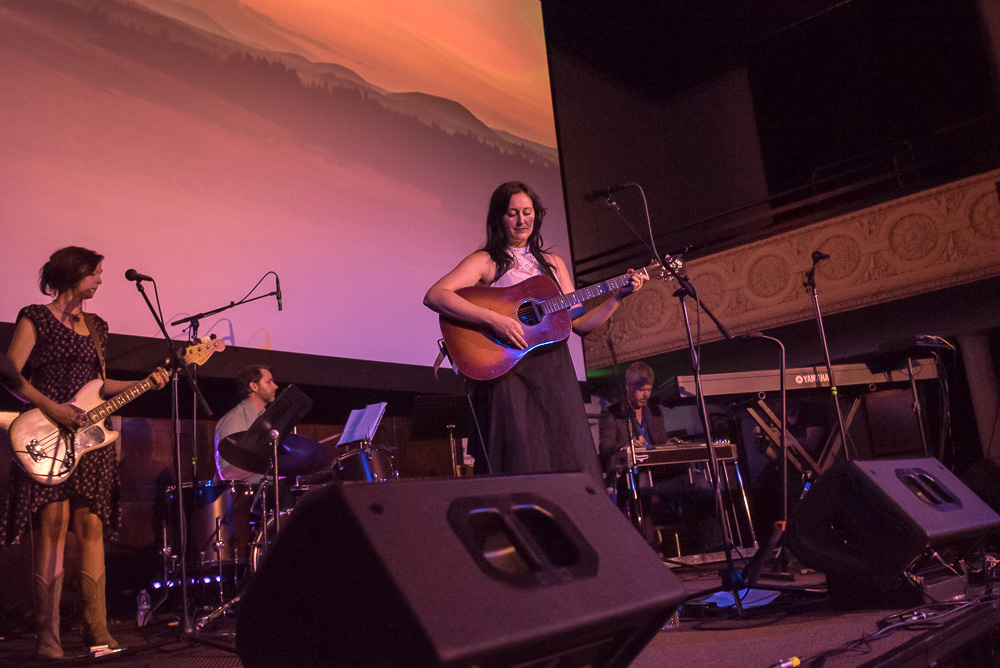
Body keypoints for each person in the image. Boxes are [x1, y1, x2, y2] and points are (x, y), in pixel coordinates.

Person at [1, 246, 168, 658]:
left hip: (90, 438)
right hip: (47, 428)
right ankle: (48, 635)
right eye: (94, 273)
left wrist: (145, 382)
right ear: (72, 274)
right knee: (53, 524)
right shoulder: (35, 317)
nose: (99, 280)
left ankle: (98, 629)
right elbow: (8, 372)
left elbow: (98, 383)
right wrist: (53, 407)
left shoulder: (97, 326)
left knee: (91, 526)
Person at [423, 181, 645, 485]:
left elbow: (580, 323)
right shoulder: (486, 261)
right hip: (511, 374)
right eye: (512, 213)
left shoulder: (553, 264)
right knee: (521, 460)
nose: (521, 220)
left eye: (527, 212)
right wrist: (494, 320)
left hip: (554, 375)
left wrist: (618, 297)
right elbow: (435, 295)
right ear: (499, 217)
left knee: (565, 458)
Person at [597, 361, 668, 485]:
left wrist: (670, 444)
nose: (646, 395)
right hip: (627, 475)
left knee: (697, 481)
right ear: (628, 387)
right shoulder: (611, 414)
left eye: (649, 390)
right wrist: (626, 446)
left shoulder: (654, 411)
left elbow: (661, 443)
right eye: (641, 390)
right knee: (643, 482)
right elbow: (605, 448)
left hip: (657, 472)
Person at [214, 365, 278, 483]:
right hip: (244, 494)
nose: (275, 386)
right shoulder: (234, 419)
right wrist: (268, 462)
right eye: (269, 382)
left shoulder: (266, 419)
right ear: (253, 386)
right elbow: (228, 473)